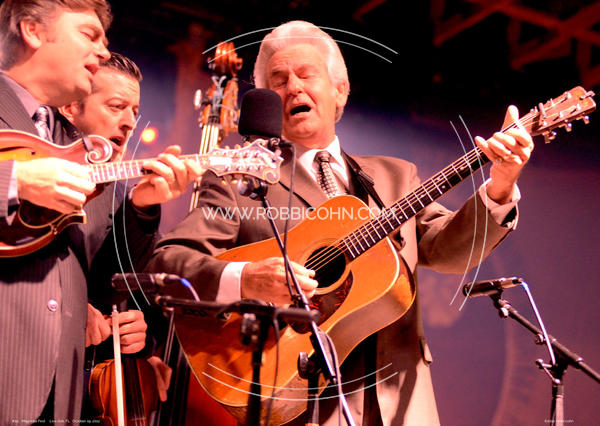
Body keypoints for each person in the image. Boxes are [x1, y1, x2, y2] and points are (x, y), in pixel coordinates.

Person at [146, 21, 534, 425]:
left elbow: (450, 251)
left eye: (306, 74)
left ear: (340, 91)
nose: (293, 88)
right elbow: (168, 263)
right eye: (279, 81)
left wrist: (500, 186)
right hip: (300, 404)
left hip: (404, 404)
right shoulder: (239, 181)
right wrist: (246, 279)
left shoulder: (395, 177)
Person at [0, 1, 200, 423]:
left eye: (134, 112)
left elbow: (104, 285)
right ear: (32, 31)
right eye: (89, 35)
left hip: (64, 391)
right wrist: (17, 180)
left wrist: (141, 208)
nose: (103, 51)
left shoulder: (77, 155)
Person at [59, 51, 173, 407]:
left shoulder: (128, 198)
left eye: (134, 112)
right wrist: (69, 308)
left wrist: (143, 336)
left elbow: (140, 297)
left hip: (90, 396)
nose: (130, 123)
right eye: (116, 107)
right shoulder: (31, 174)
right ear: (70, 107)